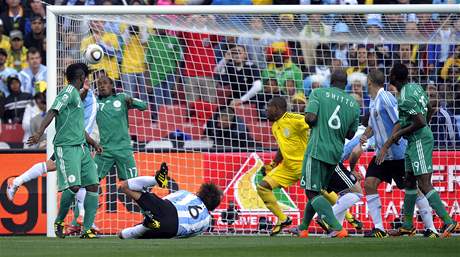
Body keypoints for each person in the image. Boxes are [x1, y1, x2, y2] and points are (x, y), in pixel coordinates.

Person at [376, 63, 458, 238]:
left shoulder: (405, 98)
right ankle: (407, 225)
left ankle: (449, 222)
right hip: (415, 140)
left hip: (419, 140)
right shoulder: (415, 87)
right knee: (410, 181)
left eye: (390, 75)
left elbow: (419, 121)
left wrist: (398, 135)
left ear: (395, 78)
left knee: (424, 183)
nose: (389, 78)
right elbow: (429, 107)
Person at [27, 63, 102, 239]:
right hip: (66, 147)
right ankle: (59, 220)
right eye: (86, 76)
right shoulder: (68, 92)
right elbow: (53, 110)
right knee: (74, 186)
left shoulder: (76, 95)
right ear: (82, 77)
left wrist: (93, 142)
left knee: (92, 185)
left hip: (82, 146)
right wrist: (39, 132)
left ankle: (87, 229)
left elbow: (78, 125)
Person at [360, 70, 438, 238]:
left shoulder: (386, 97)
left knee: (412, 189)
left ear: (370, 82)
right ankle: (379, 228)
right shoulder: (373, 102)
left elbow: (398, 121)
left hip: (396, 154)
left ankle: (431, 228)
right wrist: (366, 135)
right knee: (369, 184)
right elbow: (374, 126)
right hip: (383, 155)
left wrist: (387, 144)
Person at [298, 69, 360, 238]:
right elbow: (350, 134)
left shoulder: (318, 93)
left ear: (330, 81)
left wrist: (318, 121)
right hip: (335, 154)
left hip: (317, 150)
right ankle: (303, 228)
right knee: (316, 190)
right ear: (345, 84)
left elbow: (310, 118)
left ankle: (336, 227)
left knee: (311, 192)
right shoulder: (354, 104)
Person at [118, 163, 223, 239]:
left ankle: (156, 180)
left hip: (167, 210)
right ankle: (147, 224)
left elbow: (166, 200)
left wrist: (147, 203)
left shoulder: (188, 195)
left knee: (125, 186)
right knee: (125, 235)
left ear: (201, 192)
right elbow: (188, 235)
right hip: (171, 231)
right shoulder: (206, 223)